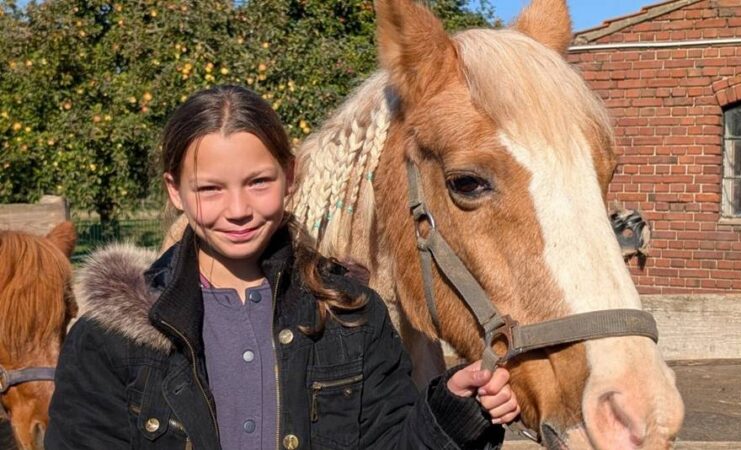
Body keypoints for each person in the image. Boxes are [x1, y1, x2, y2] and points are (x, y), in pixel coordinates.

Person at [45, 85, 519, 450]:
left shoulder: (351, 317)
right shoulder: (110, 339)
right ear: (175, 191)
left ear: (289, 177)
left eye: (258, 182)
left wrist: (454, 413)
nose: (237, 209)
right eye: (209, 189)